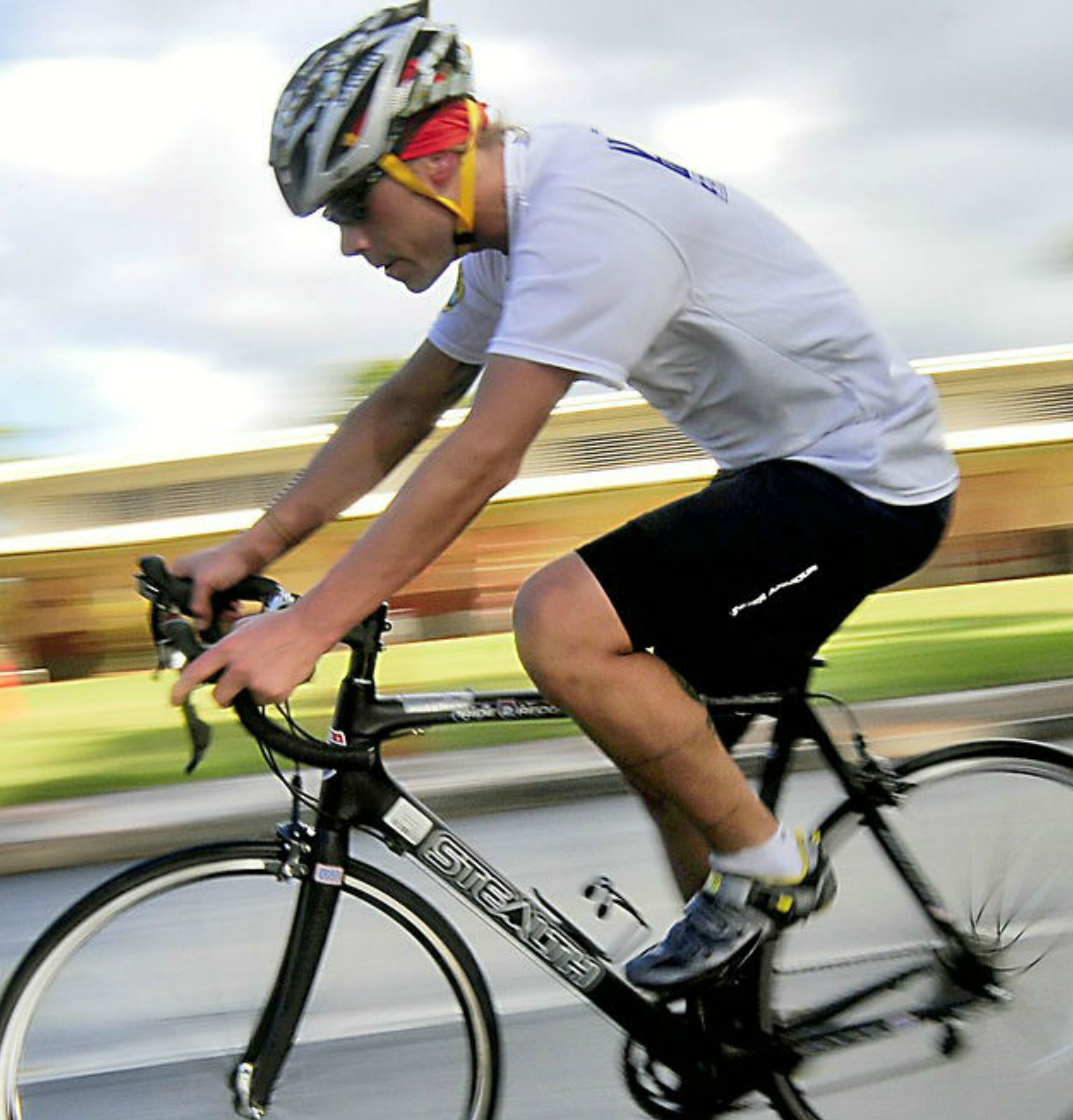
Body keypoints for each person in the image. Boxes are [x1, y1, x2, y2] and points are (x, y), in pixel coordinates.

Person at [172, 3, 959, 994]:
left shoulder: (587, 222)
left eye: (353, 207)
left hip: (863, 483)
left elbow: (483, 455)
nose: (350, 243)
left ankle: (773, 868)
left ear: (439, 156)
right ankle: (724, 1032)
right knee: (663, 754)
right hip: (779, 470)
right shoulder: (510, 238)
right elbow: (404, 408)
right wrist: (252, 549)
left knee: (559, 620)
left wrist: (310, 628)